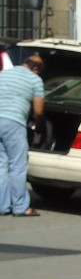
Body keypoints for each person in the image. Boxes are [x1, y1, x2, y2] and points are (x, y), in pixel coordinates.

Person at [0, 53, 46, 217]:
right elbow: (39, 110)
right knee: (18, 166)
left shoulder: (4, 74)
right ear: (35, 69)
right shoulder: (35, 80)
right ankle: (20, 207)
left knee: (1, 165)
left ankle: (2, 206)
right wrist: (37, 124)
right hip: (14, 122)